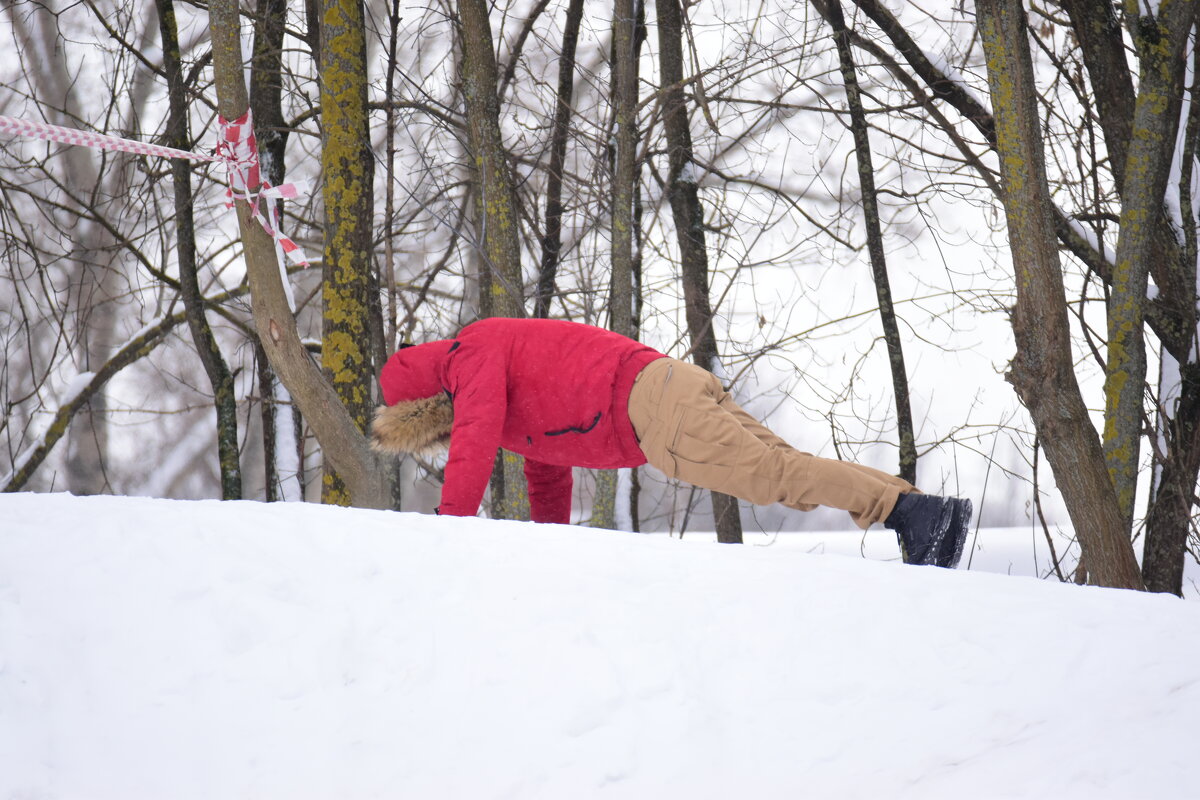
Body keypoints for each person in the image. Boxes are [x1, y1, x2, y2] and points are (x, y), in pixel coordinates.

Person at [371, 317, 973, 568]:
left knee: (775, 477)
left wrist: (447, 531)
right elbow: (546, 470)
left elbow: (473, 441)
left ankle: (911, 514)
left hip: (651, 409)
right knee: (781, 466)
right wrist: (547, 551)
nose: (445, 432)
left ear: (426, 401)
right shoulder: (494, 375)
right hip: (667, 384)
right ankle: (923, 513)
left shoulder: (470, 357)